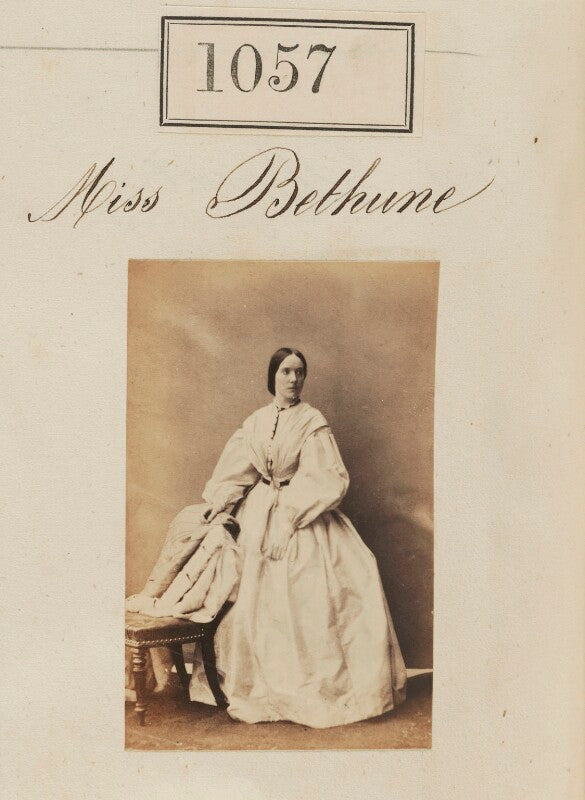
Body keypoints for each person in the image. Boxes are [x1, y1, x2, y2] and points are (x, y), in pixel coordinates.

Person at [188, 347, 407, 728]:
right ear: (272, 376)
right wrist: (220, 502)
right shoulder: (256, 422)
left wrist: (289, 518)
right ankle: (255, 683)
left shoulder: (312, 422)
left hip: (300, 514)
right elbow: (240, 471)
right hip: (258, 513)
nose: (294, 379)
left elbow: (325, 478)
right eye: (286, 371)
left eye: (300, 372)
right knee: (248, 596)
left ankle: (311, 690)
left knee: (314, 591)